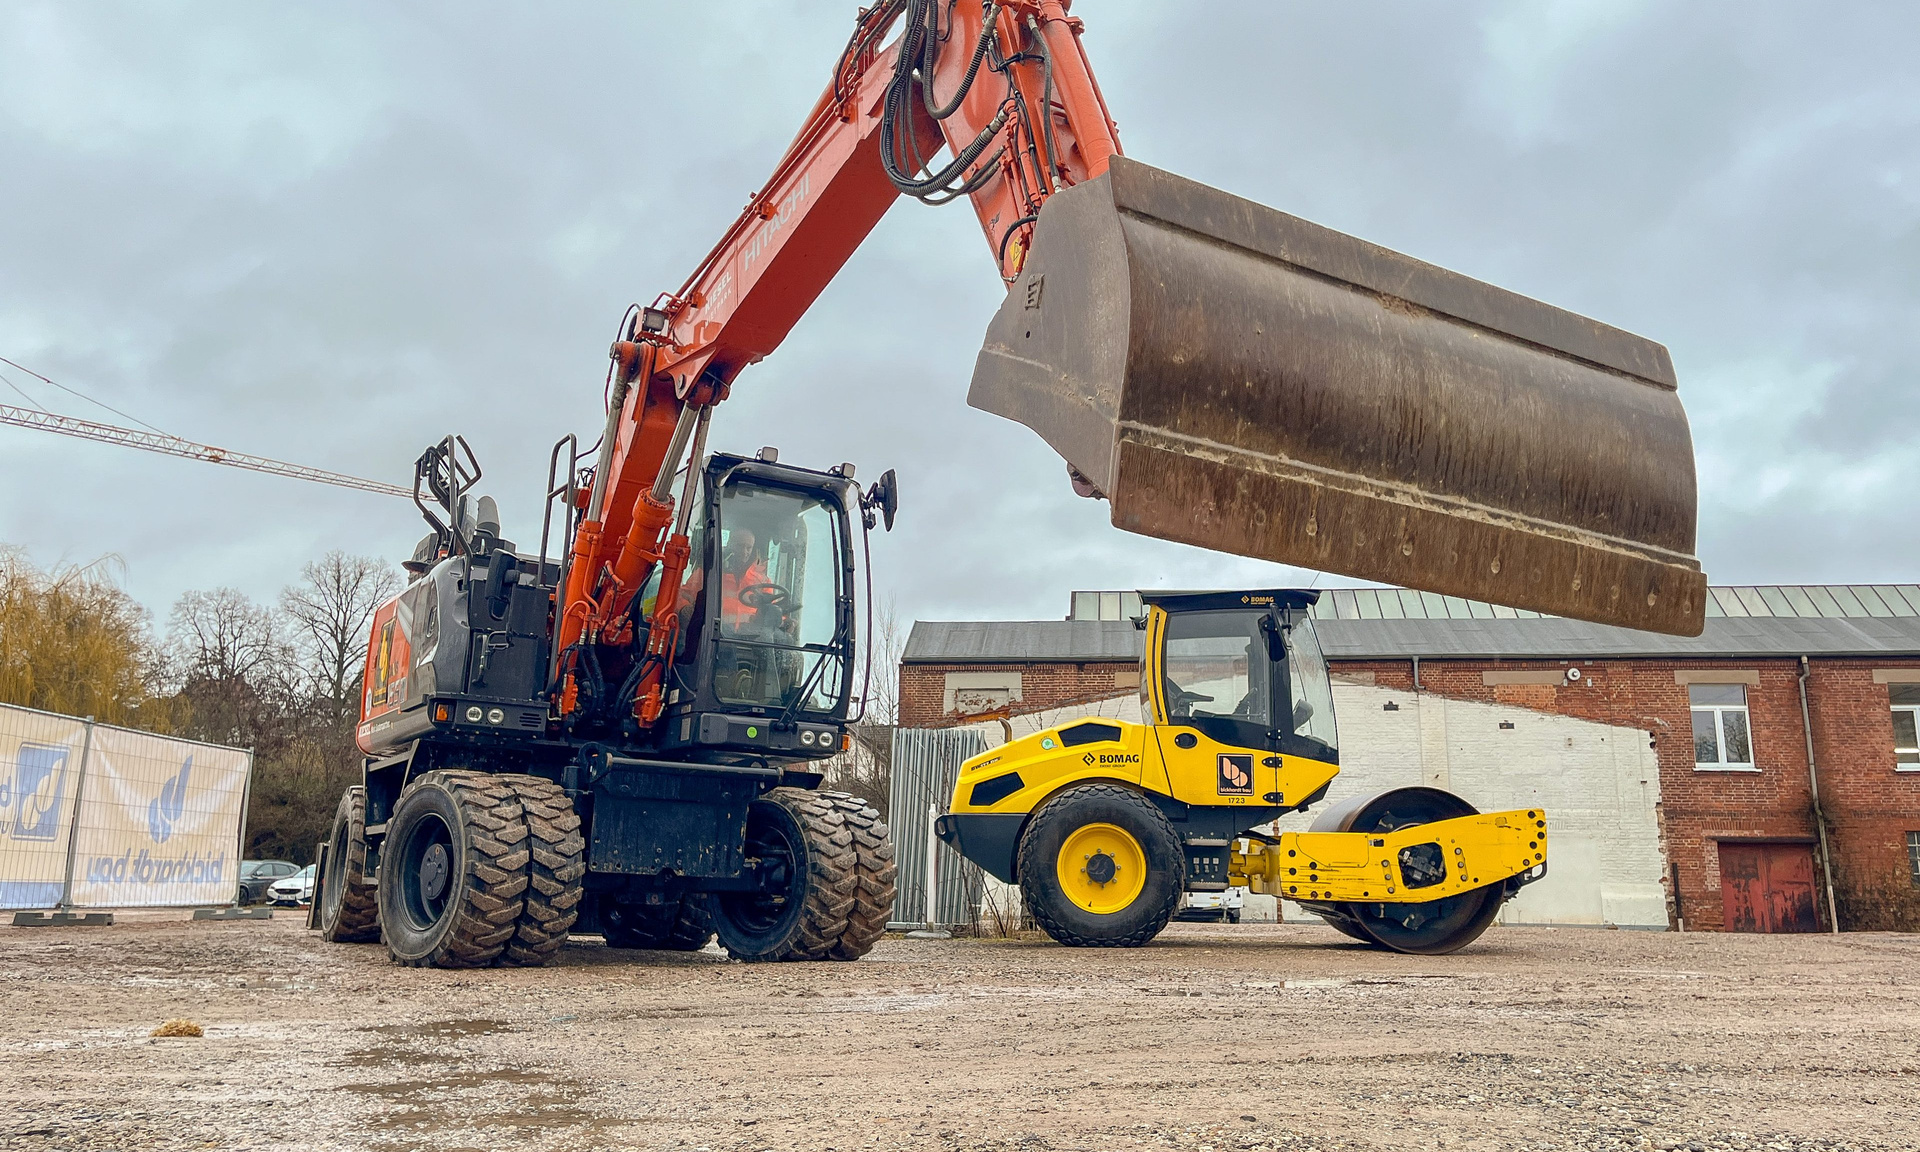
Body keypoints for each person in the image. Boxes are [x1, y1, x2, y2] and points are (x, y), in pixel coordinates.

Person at [719, 528, 770, 634]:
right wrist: (684, 608)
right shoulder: (712, 572)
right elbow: (684, 595)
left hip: (750, 641)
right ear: (730, 544)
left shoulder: (763, 581)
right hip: (715, 638)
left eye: (749, 547)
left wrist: (785, 621)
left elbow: (772, 610)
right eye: (740, 546)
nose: (744, 552)